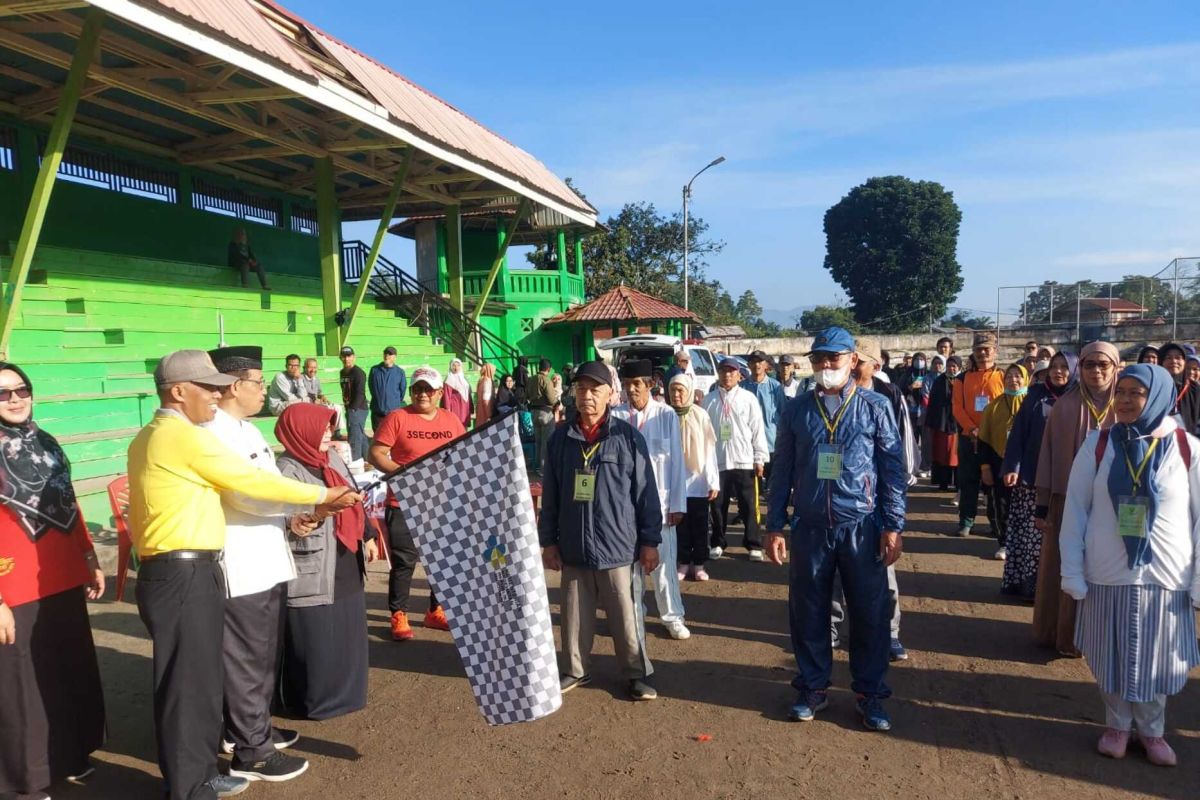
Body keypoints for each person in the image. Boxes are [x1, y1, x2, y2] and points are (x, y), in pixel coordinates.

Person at [127, 349, 358, 800]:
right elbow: (250, 484)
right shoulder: (183, 436)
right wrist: (321, 493)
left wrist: (305, 506)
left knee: (200, 680)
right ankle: (192, 784)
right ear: (178, 391)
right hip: (182, 568)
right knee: (188, 686)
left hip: (189, 566)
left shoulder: (162, 434)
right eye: (208, 388)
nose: (217, 395)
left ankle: (200, 772)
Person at [765, 327, 906, 731]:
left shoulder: (875, 407)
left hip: (861, 525)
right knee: (808, 609)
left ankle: (871, 694)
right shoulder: (797, 410)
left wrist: (893, 525)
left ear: (852, 361)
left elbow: (892, 472)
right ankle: (812, 687)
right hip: (810, 527)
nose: (827, 366)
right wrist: (775, 525)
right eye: (820, 359)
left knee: (870, 612)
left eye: (835, 359)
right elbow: (783, 472)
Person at [1059, 364, 1200, 766]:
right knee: (1111, 655)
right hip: (1109, 568)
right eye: (1120, 392)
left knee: (1159, 659)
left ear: (1157, 396)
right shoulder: (1099, 444)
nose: (1123, 400)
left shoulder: (1186, 447)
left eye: (1135, 393)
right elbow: (1076, 509)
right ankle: (1117, 726)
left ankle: (1153, 731)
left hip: (1166, 573)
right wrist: (1072, 569)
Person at [0, 362, 105, 800]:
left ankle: (68, 754)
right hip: (13, 587)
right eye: (2, 394)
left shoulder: (46, 441)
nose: (15, 399)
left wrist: (88, 554)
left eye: (21, 389)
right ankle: (22, 782)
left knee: (66, 671)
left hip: (60, 576)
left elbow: (70, 502)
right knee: (21, 689)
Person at [203, 346, 308, 783]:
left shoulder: (244, 430)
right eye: (257, 383)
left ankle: (250, 727)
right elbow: (245, 494)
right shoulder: (213, 434)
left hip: (267, 555)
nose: (264, 390)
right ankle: (252, 750)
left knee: (264, 654)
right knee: (246, 657)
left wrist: (292, 512)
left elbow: (270, 486)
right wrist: (308, 499)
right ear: (231, 386)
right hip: (241, 560)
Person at [538, 360, 662, 701]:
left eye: (595, 389)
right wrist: (548, 541)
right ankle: (575, 669)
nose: (587, 396)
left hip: (618, 547)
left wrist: (650, 541)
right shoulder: (560, 438)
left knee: (625, 617)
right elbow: (551, 495)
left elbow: (645, 494)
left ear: (611, 394)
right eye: (581, 389)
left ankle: (636, 674)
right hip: (574, 545)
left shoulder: (628, 437)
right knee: (574, 616)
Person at [276, 404, 378, 720]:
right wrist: (313, 514)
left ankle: (347, 694)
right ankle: (313, 701)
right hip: (314, 562)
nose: (327, 433)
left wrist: (369, 534)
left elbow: (353, 495)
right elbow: (286, 517)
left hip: (345, 556)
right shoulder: (285, 469)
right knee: (316, 634)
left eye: (330, 427)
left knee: (346, 626)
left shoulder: (331, 457)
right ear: (300, 430)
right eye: (320, 427)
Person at [1033, 341, 1119, 656]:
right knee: (1065, 565)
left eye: (1103, 365)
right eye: (1089, 365)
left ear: (1115, 367)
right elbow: (1048, 456)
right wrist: (1043, 505)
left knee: (1106, 568)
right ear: (1079, 368)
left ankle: (1102, 636)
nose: (1096, 371)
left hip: (1113, 506)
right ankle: (1063, 634)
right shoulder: (1065, 407)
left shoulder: (1127, 406)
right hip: (1067, 502)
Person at [369, 367, 466, 641]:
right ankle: (398, 614)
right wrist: (403, 474)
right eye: (417, 389)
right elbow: (376, 453)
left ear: (439, 393)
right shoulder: (397, 417)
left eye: (428, 389)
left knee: (443, 562)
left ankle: (436, 610)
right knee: (404, 563)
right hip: (403, 503)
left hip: (442, 503)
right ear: (410, 392)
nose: (422, 394)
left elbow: (464, 453)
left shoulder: (451, 420)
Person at [613, 359, 690, 640]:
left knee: (664, 565)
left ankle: (672, 616)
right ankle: (636, 614)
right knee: (630, 567)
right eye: (626, 385)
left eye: (636, 384)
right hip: (625, 507)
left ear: (650, 384)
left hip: (661, 505)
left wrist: (678, 505)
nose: (631, 390)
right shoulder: (616, 418)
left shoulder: (666, 415)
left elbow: (677, 463)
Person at [1000, 352, 1077, 600]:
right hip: (1033, 476)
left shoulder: (1081, 398)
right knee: (1032, 535)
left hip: (1068, 479)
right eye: (1054, 366)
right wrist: (1012, 466)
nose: (1058, 371)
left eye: (1065, 367)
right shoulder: (1035, 395)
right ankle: (1030, 587)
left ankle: (1059, 590)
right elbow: (1018, 433)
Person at [703, 357, 769, 560]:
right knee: (718, 505)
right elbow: (704, 434)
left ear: (739, 375)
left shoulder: (748, 398)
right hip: (718, 461)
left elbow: (758, 430)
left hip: (744, 460)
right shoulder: (709, 400)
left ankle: (753, 544)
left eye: (731, 371)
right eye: (723, 371)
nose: (727, 375)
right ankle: (718, 541)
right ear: (719, 373)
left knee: (749, 504)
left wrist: (759, 458)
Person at [951, 332, 1005, 537]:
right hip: (969, 437)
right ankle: (966, 521)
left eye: (987, 349)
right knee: (968, 480)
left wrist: (991, 431)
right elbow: (957, 407)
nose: (983, 353)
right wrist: (972, 428)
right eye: (978, 350)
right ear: (973, 352)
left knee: (993, 484)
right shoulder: (962, 379)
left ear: (995, 351)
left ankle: (995, 522)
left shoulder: (1003, 376)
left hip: (995, 439)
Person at [668, 373, 720, 581]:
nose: (676, 395)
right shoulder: (665, 414)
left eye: (680, 390)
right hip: (674, 482)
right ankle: (683, 562)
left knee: (699, 524)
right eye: (673, 390)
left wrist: (713, 480)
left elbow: (709, 450)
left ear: (689, 391)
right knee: (679, 525)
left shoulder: (700, 414)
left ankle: (699, 564)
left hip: (697, 481)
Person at [978, 364, 1029, 562]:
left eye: (1018, 376)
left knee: (1025, 506)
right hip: (999, 463)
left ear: (1025, 378)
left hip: (1027, 465)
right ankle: (1005, 542)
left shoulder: (1033, 404)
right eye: (1009, 376)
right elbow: (983, 441)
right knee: (1002, 504)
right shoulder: (994, 407)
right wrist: (985, 468)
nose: (1013, 380)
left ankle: (1024, 544)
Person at [742, 350, 786, 488]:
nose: (757, 365)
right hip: (748, 445)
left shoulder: (775, 387)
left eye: (760, 361)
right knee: (752, 487)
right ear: (748, 365)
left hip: (771, 444)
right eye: (753, 362)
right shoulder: (742, 387)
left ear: (766, 364)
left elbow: (783, 413)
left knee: (774, 487)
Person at [926, 355, 961, 491]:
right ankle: (943, 483)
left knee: (956, 456)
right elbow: (933, 403)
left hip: (958, 423)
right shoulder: (939, 381)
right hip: (942, 422)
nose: (951, 369)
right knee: (942, 455)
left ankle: (958, 484)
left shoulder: (962, 380)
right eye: (949, 366)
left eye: (954, 366)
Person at [527, 358, 561, 475]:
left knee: (538, 441)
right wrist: (558, 404)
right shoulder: (546, 380)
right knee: (546, 443)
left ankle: (536, 467)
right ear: (549, 369)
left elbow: (526, 395)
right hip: (546, 413)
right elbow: (552, 399)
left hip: (533, 413)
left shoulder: (530, 379)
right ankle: (543, 469)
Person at [1157, 342, 1200, 434]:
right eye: (1168, 358)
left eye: (1178, 358)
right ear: (1161, 362)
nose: (1174, 361)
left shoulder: (1195, 389)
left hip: (1189, 443)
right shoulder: (1154, 387)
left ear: (1185, 362)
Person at [339, 346, 369, 462]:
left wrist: (352, 409)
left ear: (353, 357)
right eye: (344, 356)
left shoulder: (358, 373)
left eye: (349, 356)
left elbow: (360, 393)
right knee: (360, 435)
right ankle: (368, 459)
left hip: (358, 409)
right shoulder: (342, 372)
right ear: (340, 358)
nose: (346, 359)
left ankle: (355, 461)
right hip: (350, 407)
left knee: (354, 437)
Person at [302, 357, 343, 436]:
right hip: (307, 404)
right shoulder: (301, 378)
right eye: (310, 367)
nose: (313, 370)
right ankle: (324, 433)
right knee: (326, 410)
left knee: (337, 407)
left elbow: (319, 393)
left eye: (315, 367)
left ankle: (337, 433)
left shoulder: (316, 379)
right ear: (304, 368)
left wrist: (323, 397)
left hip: (317, 403)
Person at [367, 346, 406, 431]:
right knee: (377, 436)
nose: (387, 356)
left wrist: (393, 403)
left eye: (390, 354)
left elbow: (402, 391)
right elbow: (371, 387)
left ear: (395, 357)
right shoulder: (374, 370)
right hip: (377, 410)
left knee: (393, 435)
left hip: (393, 411)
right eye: (385, 353)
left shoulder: (400, 372)